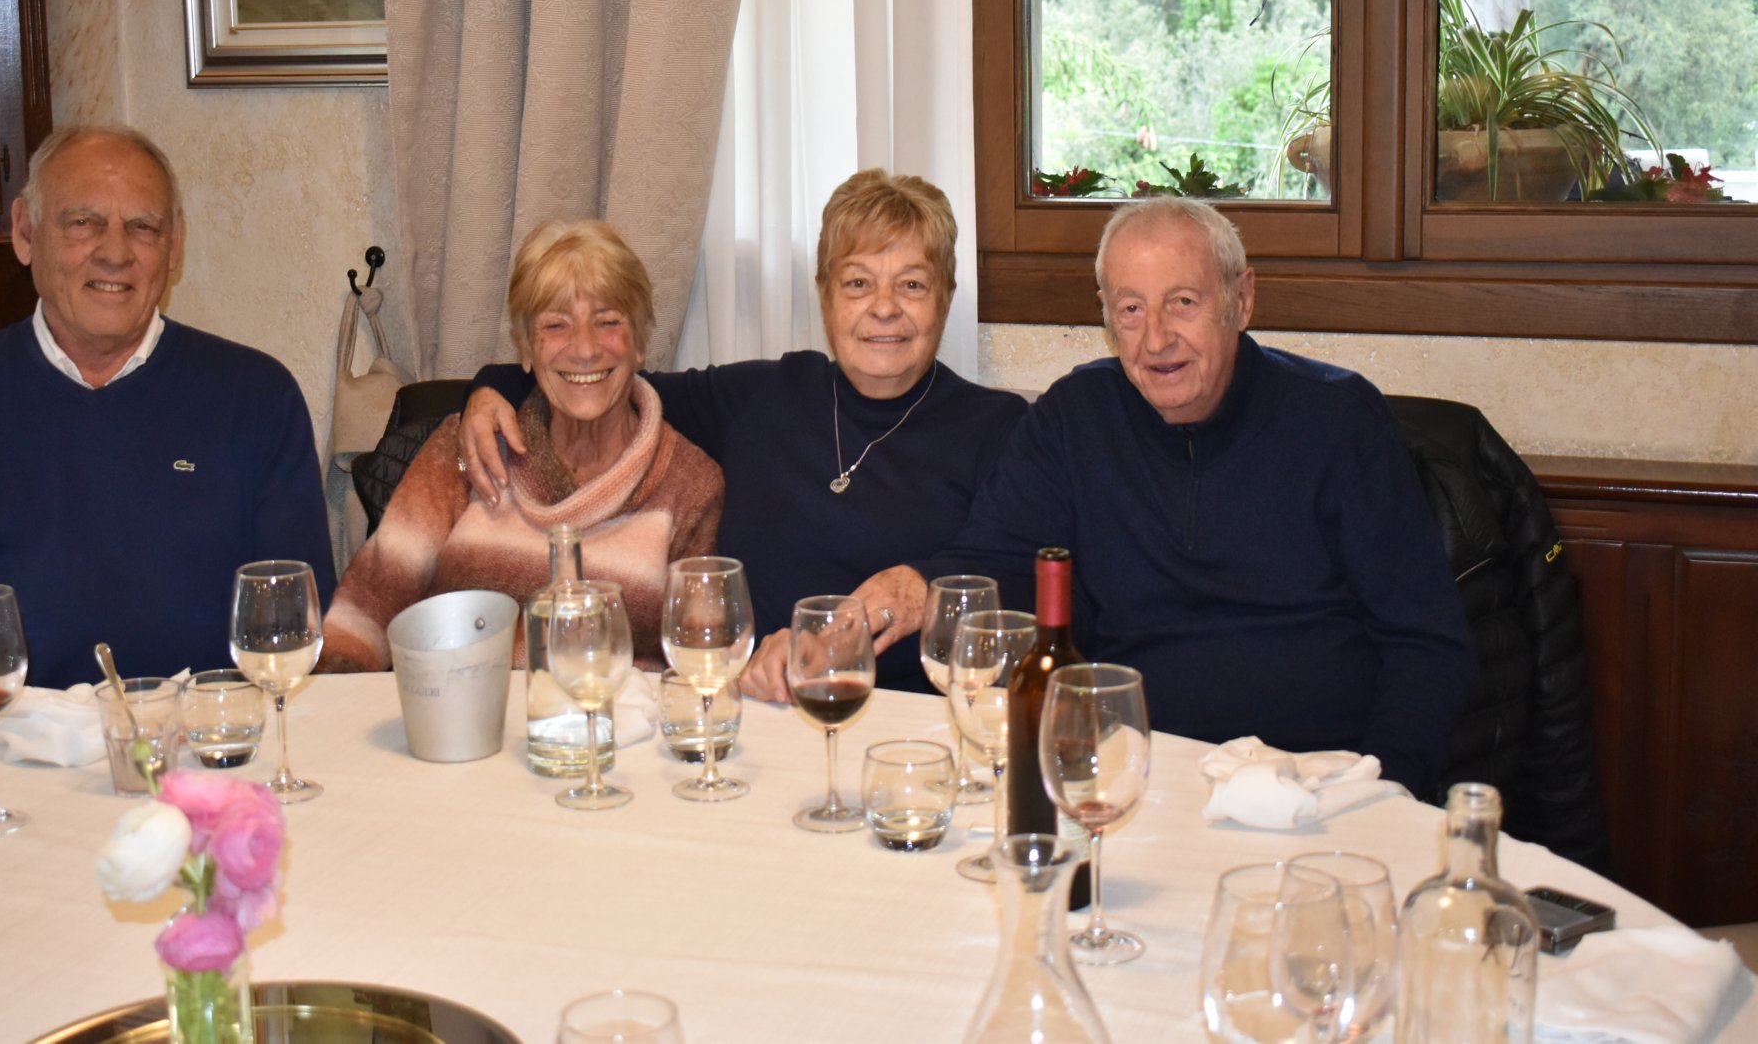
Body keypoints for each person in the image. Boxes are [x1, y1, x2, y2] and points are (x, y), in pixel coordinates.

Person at [803, 197, 1476, 798]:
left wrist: (1384, 789)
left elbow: (1426, 645)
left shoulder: (1338, 421)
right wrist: (918, 587)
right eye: (1130, 309)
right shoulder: (1075, 418)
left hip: (1317, 779)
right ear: (1105, 314)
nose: (1156, 338)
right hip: (1137, 775)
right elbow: (1000, 562)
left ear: (1241, 299)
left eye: (1182, 302)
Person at [458, 172, 1029, 694]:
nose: (884, 308)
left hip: (908, 718)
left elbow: (1025, 570)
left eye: (912, 285)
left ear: (946, 297)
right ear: (825, 294)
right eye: (858, 283)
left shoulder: (997, 427)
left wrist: (923, 583)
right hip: (755, 712)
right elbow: (601, 375)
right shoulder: (762, 397)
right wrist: (489, 389)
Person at [0, 125, 335, 715]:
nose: (115, 252)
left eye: (143, 227)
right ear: (25, 233)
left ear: (174, 247)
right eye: (82, 222)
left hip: (203, 741)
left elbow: (294, 622)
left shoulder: (257, 398)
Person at [320, 221, 723, 670]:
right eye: (556, 325)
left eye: (608, 322)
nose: (585, 349)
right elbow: (368, 608)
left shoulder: (690, 486)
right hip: (459, 707)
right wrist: (332, 686)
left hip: (608, 711)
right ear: (526, 348)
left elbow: (699, 661)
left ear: (641, 342)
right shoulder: (467, 450)